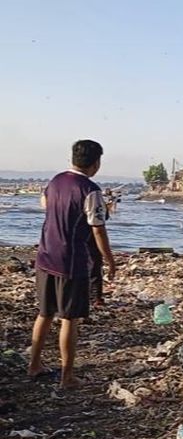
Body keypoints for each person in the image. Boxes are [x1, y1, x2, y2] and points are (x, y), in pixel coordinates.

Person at [28, 140, 116, 388]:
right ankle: (67, 377)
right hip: (72, 262)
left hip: (45, 256)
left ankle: (34, 364)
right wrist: (110, 261)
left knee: (44, 313)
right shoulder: (91, 190)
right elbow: (98, 230)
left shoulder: (54, 181)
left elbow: (47, 207)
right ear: (96, 163)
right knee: (69, 318)